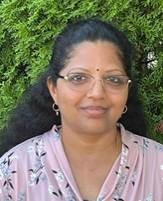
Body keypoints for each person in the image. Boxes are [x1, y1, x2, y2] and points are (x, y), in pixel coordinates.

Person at [0, 18, 162, 201]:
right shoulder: (13, 171)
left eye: (114, 79)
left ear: (127, 89)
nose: (97, 93)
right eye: (78, 78)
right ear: (54, 89)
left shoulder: (158, 166)